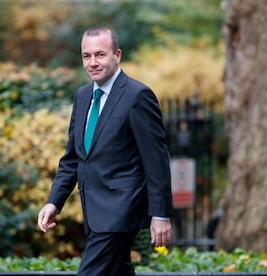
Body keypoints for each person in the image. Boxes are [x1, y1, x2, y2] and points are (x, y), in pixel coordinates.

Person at [38, 26, 173, 276]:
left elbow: (156, 160)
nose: (92, 63)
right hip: (94, 211)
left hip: (120, 211)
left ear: (117, 55)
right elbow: (73, 159)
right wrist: (54, 201)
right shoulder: (82, 96)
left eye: (100, 55)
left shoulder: (137, 96)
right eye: (86, 56)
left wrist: (161, 214)